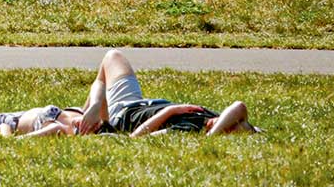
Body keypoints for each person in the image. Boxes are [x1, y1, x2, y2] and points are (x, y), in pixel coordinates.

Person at [78, 49, 253, 136]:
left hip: (122, 114)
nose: (218, 120)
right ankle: (87, 110)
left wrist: (170, 111)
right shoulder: (209, 115)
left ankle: (85, 115)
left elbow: (136, 137)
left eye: (226, 125)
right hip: (137, 101)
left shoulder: (188, 129)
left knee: (102, 80)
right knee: (113, 56)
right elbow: (239, 107)